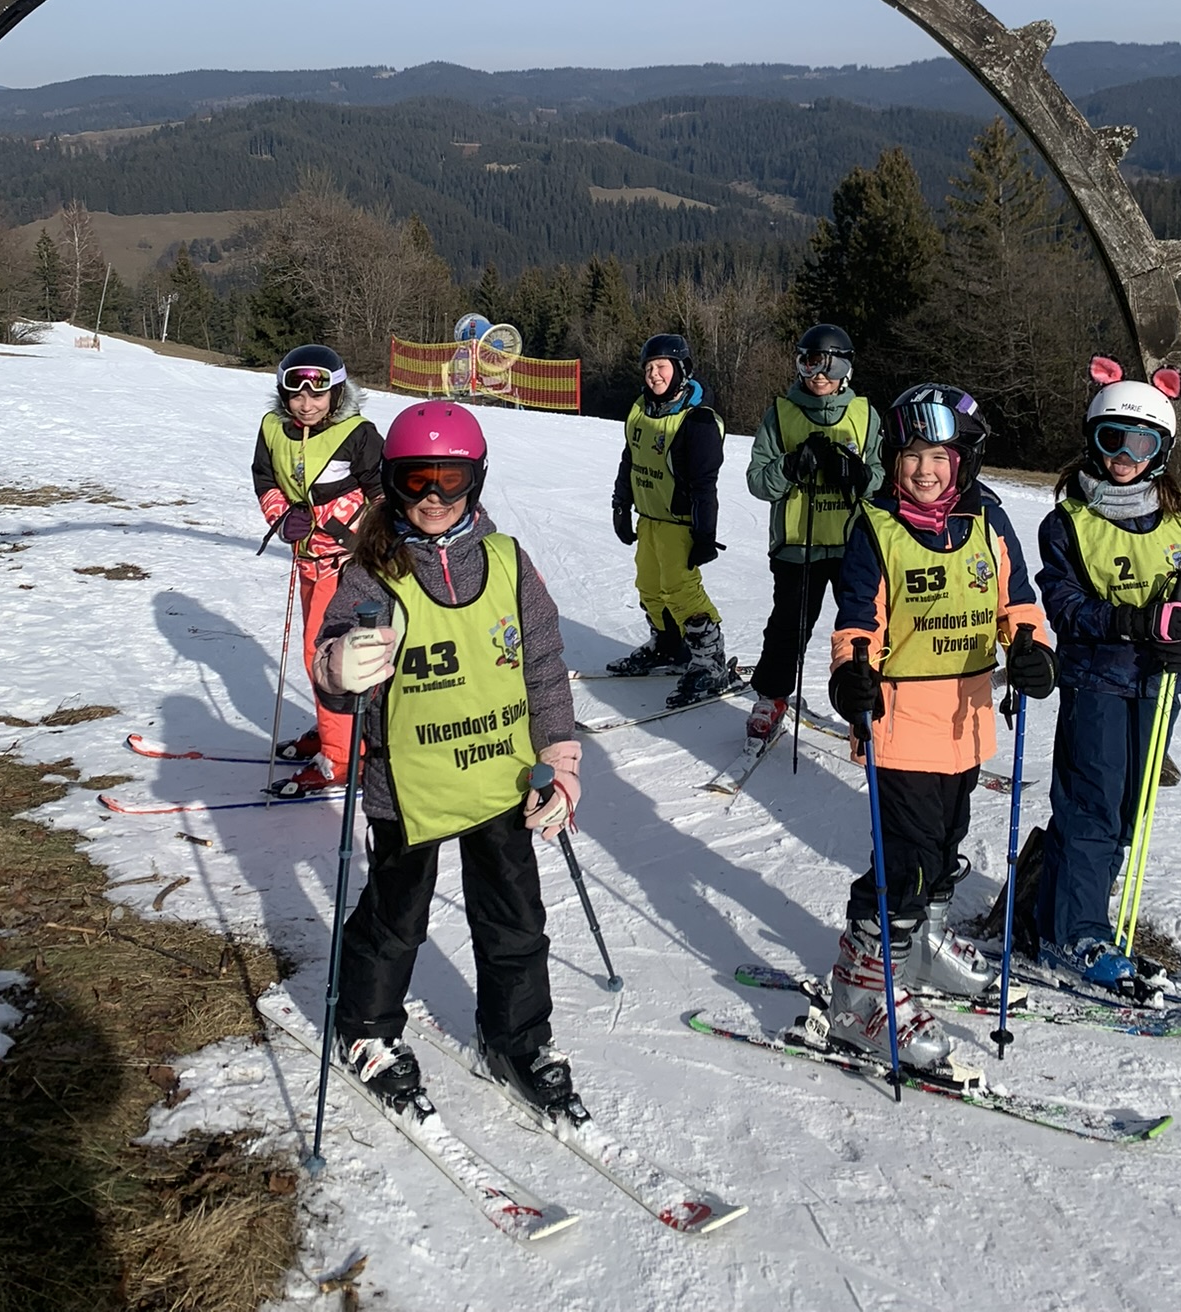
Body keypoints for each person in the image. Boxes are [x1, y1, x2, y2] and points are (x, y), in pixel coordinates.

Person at [310, 400, 587, 1121]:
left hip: (500, 777)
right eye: (415, 481)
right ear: (392, 484)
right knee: (396, 918)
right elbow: (333, 678)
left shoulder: (505, 561)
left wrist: (559, 757)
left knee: (515, 919)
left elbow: (545, 666)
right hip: (408, 788)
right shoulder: (374, 571)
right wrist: (342, 666)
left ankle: (516, 1040)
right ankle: (367, 1028)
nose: (433, 497)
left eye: (450, 480)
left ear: (477, 480)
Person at [824, 383, 1053, 1067]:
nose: (924, 470)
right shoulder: (877, 526)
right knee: (906, 860)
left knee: (947, 842)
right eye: (912, 456)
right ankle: (862, 990)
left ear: (965, 462)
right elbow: (857, 619)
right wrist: (849, 673)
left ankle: (921, 945)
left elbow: (1018, 600)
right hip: (899, 721)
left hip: (968, 717)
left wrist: (1033, 649)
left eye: (939, 456)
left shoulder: (987, 522)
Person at [1032, 357, 1181, 988]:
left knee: (1127, 809)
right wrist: (1136, 624)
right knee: (1090, 806)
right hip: (1097, 681)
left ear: (1160, 450)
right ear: (1092, 439)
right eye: (1110, 438)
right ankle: (1076, 934)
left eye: (1140, 442)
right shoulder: (1069, 521)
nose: (1124, 454)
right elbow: (1064, 605)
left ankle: (1071, 916)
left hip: (1159, 684)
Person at [253, 344, 383, 796]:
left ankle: (345, 757)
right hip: (307, 560)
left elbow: (383, 496)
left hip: (348, 565)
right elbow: (265, 478)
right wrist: (280, 517)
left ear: (337, 392)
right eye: (296, 395)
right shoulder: (274, 429)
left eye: (318, 395)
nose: (307, 405)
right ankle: (335, 729)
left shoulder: (357, 434)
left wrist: (360, 534)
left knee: (327, 657)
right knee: (320, 659)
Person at [744, 324, 883, 745]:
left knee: (862, 627)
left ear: (846, 367)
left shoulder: (864, 415)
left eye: (830, 363)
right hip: (796, 547)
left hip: (852, 545)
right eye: (810, 362)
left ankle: (871, 699)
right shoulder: (782, 412)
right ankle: (772, 696)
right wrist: (790, 466)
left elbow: (882, 479)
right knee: (788, 626)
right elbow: (757, 480)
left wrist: (859, 475)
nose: (819, 373)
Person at [609, 333, 729, 709]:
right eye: (649, 368)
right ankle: (668, 646)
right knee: (649, 585)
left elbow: (704, 486)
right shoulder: (641, 411)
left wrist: (705, 535)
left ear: (680, 370)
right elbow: (630, 461)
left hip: (680, 523)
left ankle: (710, 661)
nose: (654, 376)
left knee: (682, 591)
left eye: (661, 367)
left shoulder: (698, 422)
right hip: (649, 518)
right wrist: (620, 504)